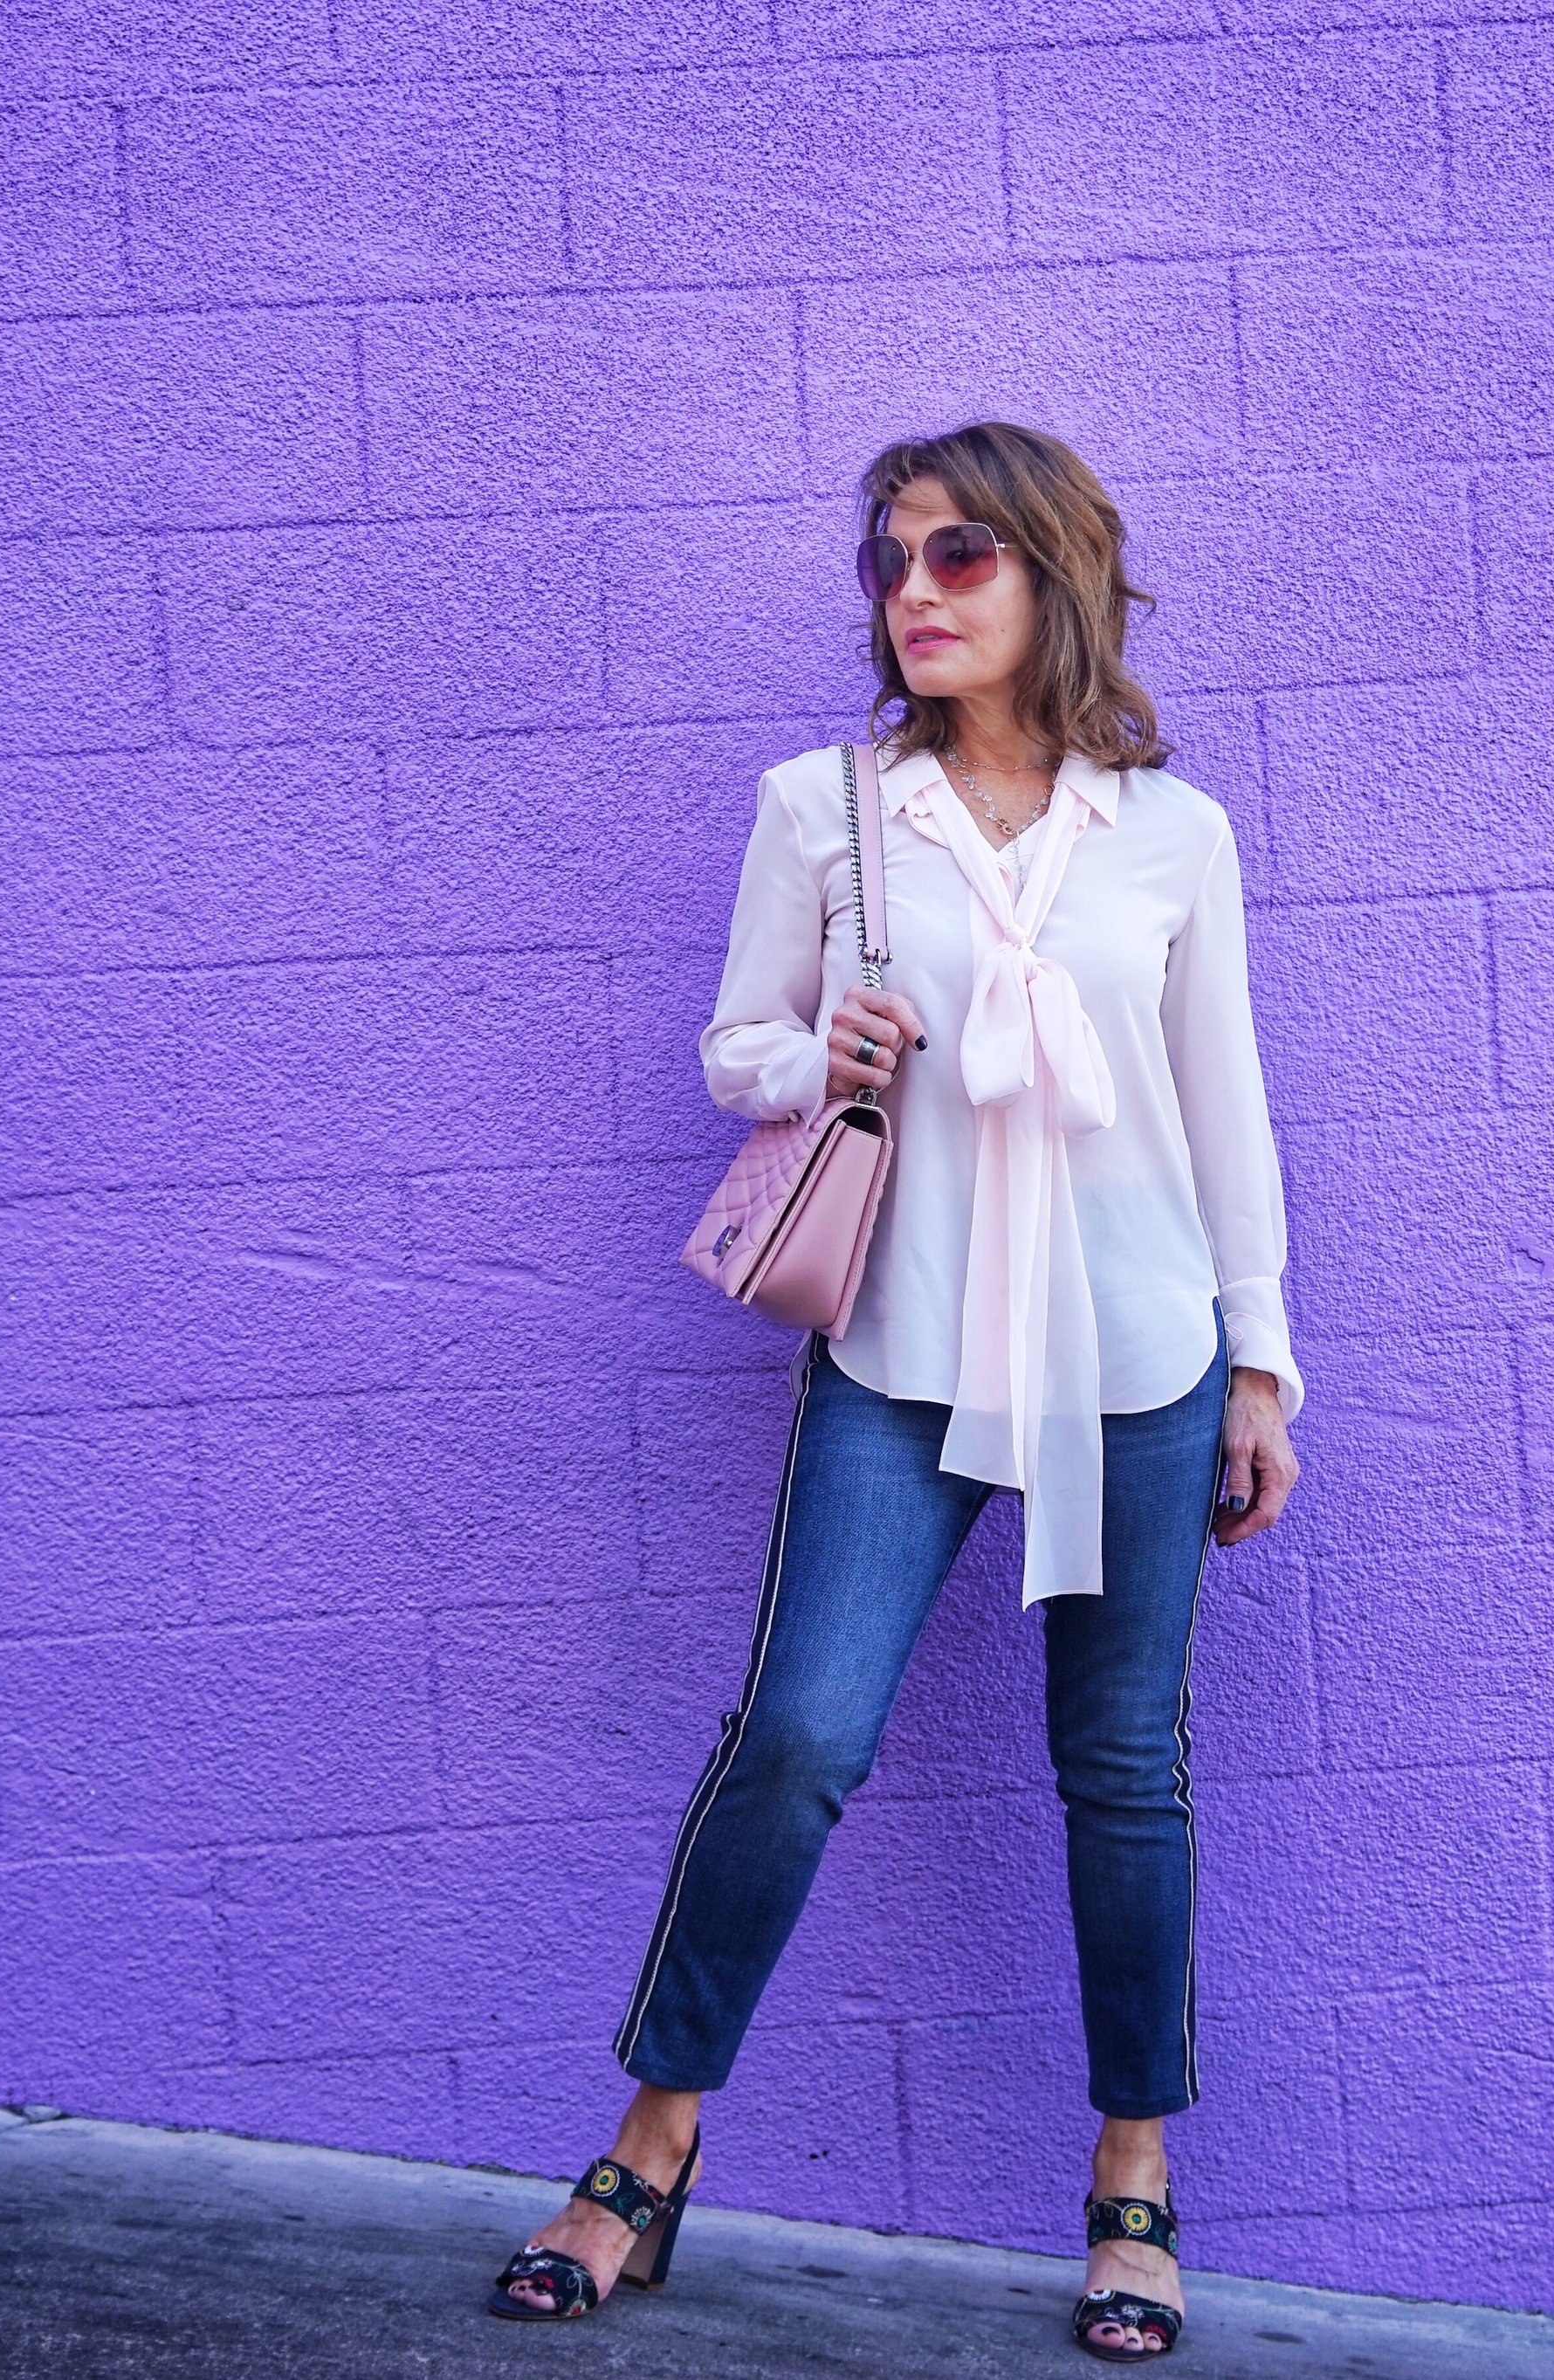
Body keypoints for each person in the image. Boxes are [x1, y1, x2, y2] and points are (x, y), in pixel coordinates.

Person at [488, 422, 1302, 2362]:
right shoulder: (824, 809)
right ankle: (647, 2150)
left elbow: (1221, 1102)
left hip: (1136, 1351)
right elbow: (729, 1043)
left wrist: (1260, 1353)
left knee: (1122, 1775)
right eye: (887, 562)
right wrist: (809, 1055)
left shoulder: (1168, 831)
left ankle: (1131, 2183)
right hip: (906, 1348)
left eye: (956, 557)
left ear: (1049, 578)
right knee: (796, 1739)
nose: (912, 593)